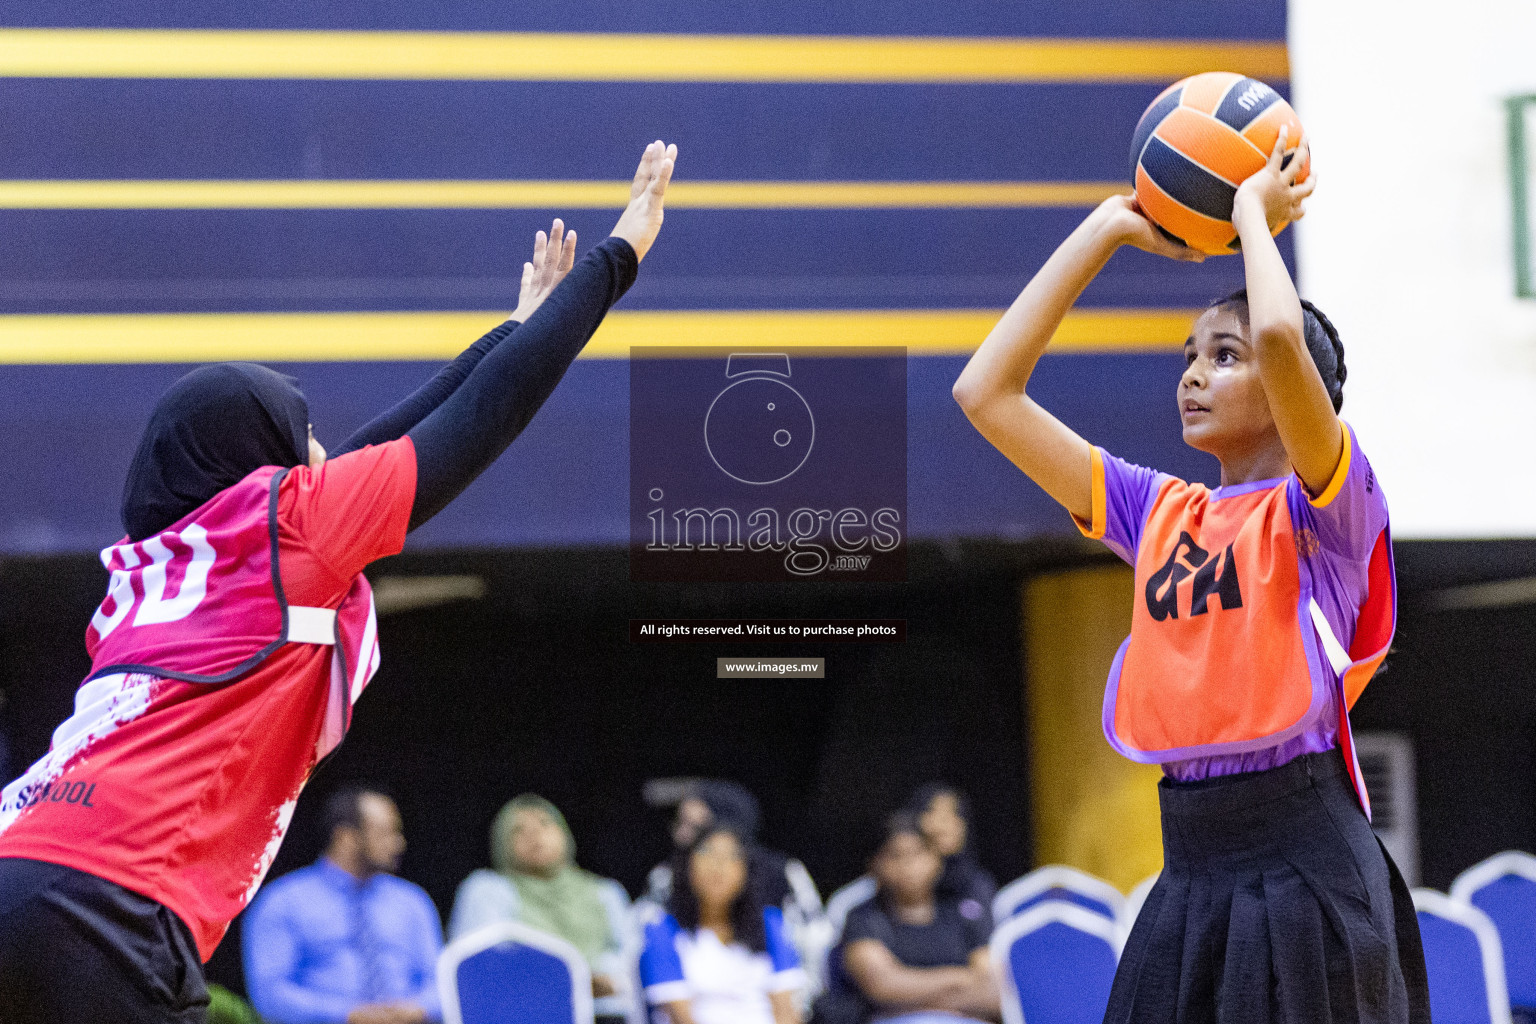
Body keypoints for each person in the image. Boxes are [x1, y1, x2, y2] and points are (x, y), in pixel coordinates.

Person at [0, 139, 677, 1024]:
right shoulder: (289, 530)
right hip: (114, 897)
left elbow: (394, 435)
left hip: (22, 860)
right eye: (301, 429)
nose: (324, 446)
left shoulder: (176, 562)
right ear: (259, 456)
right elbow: (478, 420)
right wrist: (616, 259)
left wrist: (516, 324)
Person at [953, 126, 1428, 1022]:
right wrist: (1101, 230)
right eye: (1188, 357)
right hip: (1190, 863)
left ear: (1296, 398)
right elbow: (986, 394)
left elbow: (1285, 334)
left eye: (1223, 356)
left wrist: (1254, 213)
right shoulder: (1157, 510)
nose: (1193, 377)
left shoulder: (1329, 508)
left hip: (1307, 859)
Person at [243, 789, 442, 1024]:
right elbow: (270, 994)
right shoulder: (282, 902)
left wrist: (417, 1009)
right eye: (385, 833)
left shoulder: (413, 902)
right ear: (345, 837)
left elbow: (442, 982)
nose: (399, 843)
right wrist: (348, 1016)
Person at [448, 794, 636, 1024]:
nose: (534, 835)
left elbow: (632, 962)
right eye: (518, 830)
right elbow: (481, 971)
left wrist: (608, 982)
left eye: (544, 824)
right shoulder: (488, 890)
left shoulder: (605, 892)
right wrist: (570, 981)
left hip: (605, 1014)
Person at [831, 812, 997, 1024]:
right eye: (896, 855)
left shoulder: (964, 910)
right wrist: (960, 979)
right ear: (876, 863)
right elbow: (881, 984)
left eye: (918, 853)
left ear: (936, 859)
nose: (908, 866)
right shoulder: (864, 917)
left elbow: (992, 988)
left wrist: (912, 994)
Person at [639, 821, 806, 1024]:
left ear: (747, 869)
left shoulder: (770, 923)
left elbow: (786, 1011)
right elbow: (679, 1017)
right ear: (686, 864)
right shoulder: (662, 928)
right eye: (706, 852)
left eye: (732, 856)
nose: (718, 865)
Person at [904, 783, 996, 915]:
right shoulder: (899, 883)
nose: (945, 826)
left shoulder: (977, 885)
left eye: (955, 813)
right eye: (933, 812)